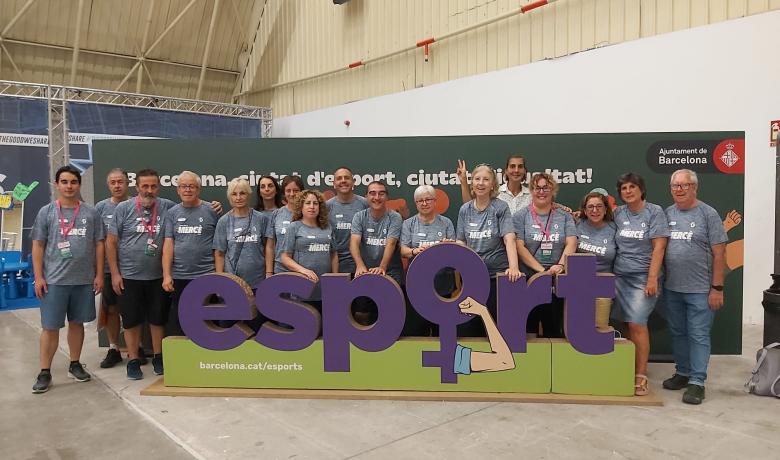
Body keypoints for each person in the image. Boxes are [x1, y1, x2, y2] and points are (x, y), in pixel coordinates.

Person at [31, 166, 104, 393]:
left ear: (79, 184)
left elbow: (99, 244)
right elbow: (38, 245)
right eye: (64, 182)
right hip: (54, 281)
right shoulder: (47, 212)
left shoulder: (91, 213)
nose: (69, 186)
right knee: (50, 327)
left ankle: (75, 364)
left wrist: (99, 274)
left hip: (83, 280)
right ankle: (45, 372)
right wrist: (38, 277)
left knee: (77, 323)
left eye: (73, 182)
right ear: (56, 184)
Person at [662, 169, 727, 405]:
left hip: (701, 289)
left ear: (695, 187)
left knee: (698, 335)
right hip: (672, 288)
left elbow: (720, 254)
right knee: (678, 332)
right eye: (675, 186)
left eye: (684, 185)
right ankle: (683, 372)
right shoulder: (667, 213)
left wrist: (717, 288)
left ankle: (697, 382)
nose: (679, 190)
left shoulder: (708, 214)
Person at [107, 169, 177, 380]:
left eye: (153, 186)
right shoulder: (123, 208)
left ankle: (158, 357)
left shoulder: (168, 207)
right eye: (145, 186)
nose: (149, 190)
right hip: (129, 276)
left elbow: (190, 208)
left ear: (158, 187)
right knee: (131, 320)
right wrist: (115, 273)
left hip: (158, 276)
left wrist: (213, 206)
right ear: (136, 187)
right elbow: (111, 242)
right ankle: (133, 360)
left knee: (158, 319)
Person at [613, 172, 669, 396]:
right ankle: (628, 367)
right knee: (625, 324)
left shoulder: (654, 212)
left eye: (632, 187)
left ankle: (641, 374)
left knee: (637, 323)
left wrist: (652, 278)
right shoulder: (618, 213)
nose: (628, 191)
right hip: (619, 276)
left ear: (641, 189)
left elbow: (659, 247)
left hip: (643, 278)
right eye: (624, 188)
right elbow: (594, 216)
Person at [455, 164, 521, 337]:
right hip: (472, 278)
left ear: (493, 184)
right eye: (477, 179)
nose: (481, 183)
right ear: (472, 183)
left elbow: (509, 238)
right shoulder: (465, 210)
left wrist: (514, 267)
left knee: (496, 328)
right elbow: (461, 241)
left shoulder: (500, 207)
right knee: (470, 329)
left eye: (486, 179)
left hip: (496, 277)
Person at [514, 173, 577, 338]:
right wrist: (542, 271)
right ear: (531, 191)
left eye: (546, 188)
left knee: (554, 329)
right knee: (528, 330)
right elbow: (519, 246)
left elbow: (572, 242)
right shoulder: (521, 216)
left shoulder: (564, 216)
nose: (541, 192)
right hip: (529, 278)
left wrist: (560, 266)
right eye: (537, 188)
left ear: (553, 191)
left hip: (557, 279)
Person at [94, 168, 145, 368]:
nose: (117, 186)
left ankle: (137, 347)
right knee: (112, 309)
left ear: (128, 183)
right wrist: (98, 272)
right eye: (113, 182)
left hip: (133, 269)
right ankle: (114, 348)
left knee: (134, 309)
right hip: (109, 269)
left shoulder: (139, 204)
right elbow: (98, 241)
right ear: (108, 185)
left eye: (120, 182)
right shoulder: (101, 208)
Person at [162, 171, 219, 343]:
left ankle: (209, 355)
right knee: (183, 321)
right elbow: (168, 244)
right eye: (183, 186)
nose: (187, 190)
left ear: (198, 189)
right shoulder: (172, 213)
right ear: (178, 190)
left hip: (207, 275)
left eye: (191, 186)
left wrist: (219, 274)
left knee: (210, 321)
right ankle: (187, 357)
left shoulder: (212, 210)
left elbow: (219, 246)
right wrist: (166, 275)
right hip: (180, 276)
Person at [400, 185, 456, 336]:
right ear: (416, 203)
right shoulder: (408, 224)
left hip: (442, 284)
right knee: (418, 330)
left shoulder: (446, 223)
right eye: (420, 201)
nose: (424, 203)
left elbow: (455, 251)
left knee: (441, 329)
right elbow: (403, 250)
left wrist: (448, 246)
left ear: (435, 201)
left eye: (428, 199)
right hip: (417, 284)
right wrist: (414, 251)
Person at [350, 181, 404, 326]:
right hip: (365, 273)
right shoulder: (359, 217)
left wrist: (382, 267)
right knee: (361, 314)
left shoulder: (395, 217)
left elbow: (391, 243)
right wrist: (360, 265)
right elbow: (354, 242)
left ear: (387, 197)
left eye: (381, 193)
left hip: (390, 273)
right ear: (366, 197)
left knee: (389, 314)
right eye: (372, 193)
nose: (377, 197)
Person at [281, 190, 338, 314]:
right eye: (307, 203)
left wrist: (334, 279)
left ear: (320, 207)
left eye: (315, 203)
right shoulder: (294, 227)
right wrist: (304, 271)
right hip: (302, 287)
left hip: (324, 288)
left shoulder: (328, 227)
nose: (312, 206)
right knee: (304, 323)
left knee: (326, 323)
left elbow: (333, 254)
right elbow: (285, 257)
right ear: (301, 206)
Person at [215, 177, 275, 289]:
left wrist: (269, 273)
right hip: (232, 282)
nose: (238, 198)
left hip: (259, 281)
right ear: (229, 197)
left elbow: (268, 248)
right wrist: (220, 280)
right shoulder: (224, 221)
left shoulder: (261, 219)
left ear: (248, 194)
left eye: (242, 193)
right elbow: (219, 253)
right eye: (234, 194)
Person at [576, 190, 618, 333]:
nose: (595, 210)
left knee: (599, 329)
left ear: (606, 209)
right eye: (590, 207)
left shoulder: (614, 228)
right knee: (577, 329)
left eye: (599, 206)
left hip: (603, 286)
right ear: (584, 210)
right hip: (577, 286)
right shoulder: (576, 224)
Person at [326, 166, 368, 274]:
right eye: (339, 178)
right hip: (336, 265)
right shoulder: (327, 207)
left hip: (362, 266)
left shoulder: (365, 204)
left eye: (347, 178)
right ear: (334, 183)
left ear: (353, 182)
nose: (343, 181)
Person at [269, 175, 304, 275]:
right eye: (288, 191)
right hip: (280, 269)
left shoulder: (309, 213)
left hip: (303, 268)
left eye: (296, 190)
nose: (292, 194)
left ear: (302, 192)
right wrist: (269, 272)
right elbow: (270, 246)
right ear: (284, 192)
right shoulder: (276, 214)